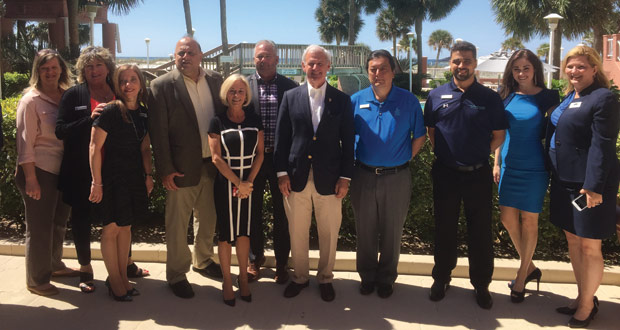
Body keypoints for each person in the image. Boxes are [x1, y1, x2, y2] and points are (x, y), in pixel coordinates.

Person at [56, 46, 149, 293]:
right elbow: (60, 130)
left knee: (121, 221)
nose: (93, 70)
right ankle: (86, 269)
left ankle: (125, 267)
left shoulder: (118, 92)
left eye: (98, 65)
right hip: (83, 170)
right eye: (88, 66)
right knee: (83, 219)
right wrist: (88, 119)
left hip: (119, 169)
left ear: (108, 68)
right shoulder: (74, 95)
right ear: (82, 71)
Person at [424, 41, 508, 309]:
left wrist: (477, 154)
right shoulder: (436, 96)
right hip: (446, 173)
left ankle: (481, 285)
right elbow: (432, 134)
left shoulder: (490, 98)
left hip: (478, 174)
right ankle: (442, 278)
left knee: (480, 232)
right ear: (450, 63)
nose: (462, 66)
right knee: (444, 228)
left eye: (467, 61)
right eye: (457, 61)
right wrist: (452, 157)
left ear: (474, 63)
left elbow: (499, 135)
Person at [545, 45, 620, 328]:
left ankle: (587, 305)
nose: (574, 71)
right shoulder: (570, 96)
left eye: (580, 67)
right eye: (570, 66)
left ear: (594, 69)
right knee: (573, 240)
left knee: (590, 246)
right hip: (565, 180)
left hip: (588, 185)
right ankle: (582, 295)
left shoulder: (604, 98)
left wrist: (594, 187)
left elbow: (603, 145)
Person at [275, 45, 354, 302]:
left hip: (330, 178)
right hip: (296, 176)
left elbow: (348, 141)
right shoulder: (290, 96)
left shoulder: (342, 100)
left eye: (320, 64)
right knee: (297, 231)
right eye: (310, 63)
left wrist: (345, 176)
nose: (315, 68)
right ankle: (299, 277)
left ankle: (325, 278)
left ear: (328, 67)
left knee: (329, 231)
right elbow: (281, 138)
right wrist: (281, 173)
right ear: (303, 66)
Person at [148, 36, 225, 299]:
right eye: (180, 53)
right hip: (180, 168)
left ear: (201, 55)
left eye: (190, 52)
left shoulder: (216, 80)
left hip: (213, 166)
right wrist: (165, 169)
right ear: (174, 55)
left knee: (208, 218)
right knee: (177, 224)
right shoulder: (161, 86)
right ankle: (177, 274)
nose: (185, 57)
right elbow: (158, 134)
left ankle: (203, 260)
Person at [350, 50, 425, 298]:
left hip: (397, 177)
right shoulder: (356, 100)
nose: (378, 74)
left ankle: (386, 279)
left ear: (393, 71)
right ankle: (367, 276)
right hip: (363, 176)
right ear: (367, 72)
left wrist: (402, 159)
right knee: (365, 229)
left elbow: (420, 136)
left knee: (393, 230)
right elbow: (347, 136)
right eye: (373, 69)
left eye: (383, 68)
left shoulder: (409, 101)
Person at [492, 49, 559, 303]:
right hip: (509, 165)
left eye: (526, 68)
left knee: (530, 221)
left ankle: (521, 277)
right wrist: (496, 163)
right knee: (508, 219)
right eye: (516, 68)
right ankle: (531, 267)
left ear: (535, 70)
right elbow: (500, 132)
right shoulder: (505, 97)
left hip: (535, 167)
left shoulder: (549, 97)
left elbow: (560, 128)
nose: (521, 73)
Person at [15, 49, 78, 296]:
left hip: (63, 171)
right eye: (44, 69)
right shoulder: (30, 100)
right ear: (37, 72)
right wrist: (30, 178)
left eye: (54, 67)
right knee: (40, 227)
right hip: (39, 172)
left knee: (59, 222)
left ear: (61, 69)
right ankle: (37, 279)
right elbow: (25, 142)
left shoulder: (67, 96)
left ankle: (54, 265)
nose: (50, 72)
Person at [88, 65, 153, 302]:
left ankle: (124, 278)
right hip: (112, 177)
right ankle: (114, 280)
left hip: (134, 176)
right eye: (123, 81)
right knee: (111, 228)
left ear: (141, 83)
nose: (128, 85)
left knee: (126, 227)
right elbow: (94, 147)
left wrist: (148, 175)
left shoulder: (144, 112)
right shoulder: (112, 111)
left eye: (133, 79)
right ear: (117, 85)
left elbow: (145, 148)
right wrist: (96, 182)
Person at [208, 74, 264, 306]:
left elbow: (260, 154)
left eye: (241, 91)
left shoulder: (255, 119)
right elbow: (216, 158)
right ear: (225, 94)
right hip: (226, 184)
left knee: (244, 233)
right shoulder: (217, 121)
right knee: (226, 234)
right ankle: (227, 281)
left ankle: (243, 278)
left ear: (246, 95)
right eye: (232, 91)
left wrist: (248, 182)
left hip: (248, 185)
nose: (236, 95)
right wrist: (236, 183)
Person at [247, 40, 298, 283]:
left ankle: (281, 263)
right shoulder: (242, 86)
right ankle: (255, 260)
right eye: (258, 56)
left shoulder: (291, 87)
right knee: (252, 211)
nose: (262, 60)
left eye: (267, 56)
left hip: (281, 160)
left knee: (283, 213)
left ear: (277, 60)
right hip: (252, 160)